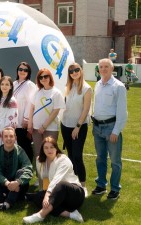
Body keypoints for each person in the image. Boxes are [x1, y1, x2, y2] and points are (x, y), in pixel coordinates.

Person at [22, 136, 84, 224]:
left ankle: (40, 215)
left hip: (74, 195)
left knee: (62, 184)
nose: (49, 150)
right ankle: (70, 214)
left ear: (56, 148)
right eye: (46, 148)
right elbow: (43, 179)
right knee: (39, 197)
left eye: (52, 147)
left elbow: (56, 180)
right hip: (59, 195)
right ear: (42, 149)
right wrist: (44, 195)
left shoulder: (63, 159)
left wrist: (47, 194)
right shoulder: (40, 161)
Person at [91, 58, 127, 200]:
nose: (103, 69)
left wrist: (116, 131)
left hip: (111, 127)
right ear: (98, 69)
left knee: (115, 161)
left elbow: (122, 111)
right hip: (97, 127)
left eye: (106, 66)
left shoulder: (118, 86)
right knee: (100, 158)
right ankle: (101, 185)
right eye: (101, 66)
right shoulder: (98, 84)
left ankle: (115, 188)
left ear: (112, 69)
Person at [61, 63, 92, 196]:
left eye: (76, 70)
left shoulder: (87, 88)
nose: (74, 73)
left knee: (77, 156)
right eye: (71, 71)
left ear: (81, 71)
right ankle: (73, 183)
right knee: (70, 156)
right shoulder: (68, 87)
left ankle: (83, 185)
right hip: (65, 125)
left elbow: (85, 109)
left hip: (79, 127)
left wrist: (77, 127)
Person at [28, 69, 65, 169]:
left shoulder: (56, 93)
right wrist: (30, 123)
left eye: (46, 76)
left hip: (51, 128)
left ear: (50, 77)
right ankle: (40, 176)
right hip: (36, 128)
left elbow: (56, 111)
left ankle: (50, 175)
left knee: (50, 152)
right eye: (41, 77)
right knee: (38, 152)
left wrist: (44, 126)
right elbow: (32, 107)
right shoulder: (37, 91)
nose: (43, 79)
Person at [0, 127, 33, 211]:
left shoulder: (20, 151)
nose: (8, 139)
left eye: (11, 136)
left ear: (15, 138)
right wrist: (7, 183)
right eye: (6, 136)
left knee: (21, 171)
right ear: (2, 138)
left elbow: (28, 168)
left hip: (19, 183)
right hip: (3, 184)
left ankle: (6, 204)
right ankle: (20, 196)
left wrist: (17, 182)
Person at [13, 62, 37, 163]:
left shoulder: (30, 85)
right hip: (13, 120)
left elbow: (31, 103)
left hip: (23, 121)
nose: (22, 71)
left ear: (28, 72)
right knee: (16, 144)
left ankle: (28, 165)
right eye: (20, 69)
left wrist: (26, 119)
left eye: (25, 70)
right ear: (17, 71)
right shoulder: (13, 83)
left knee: (25, 144)